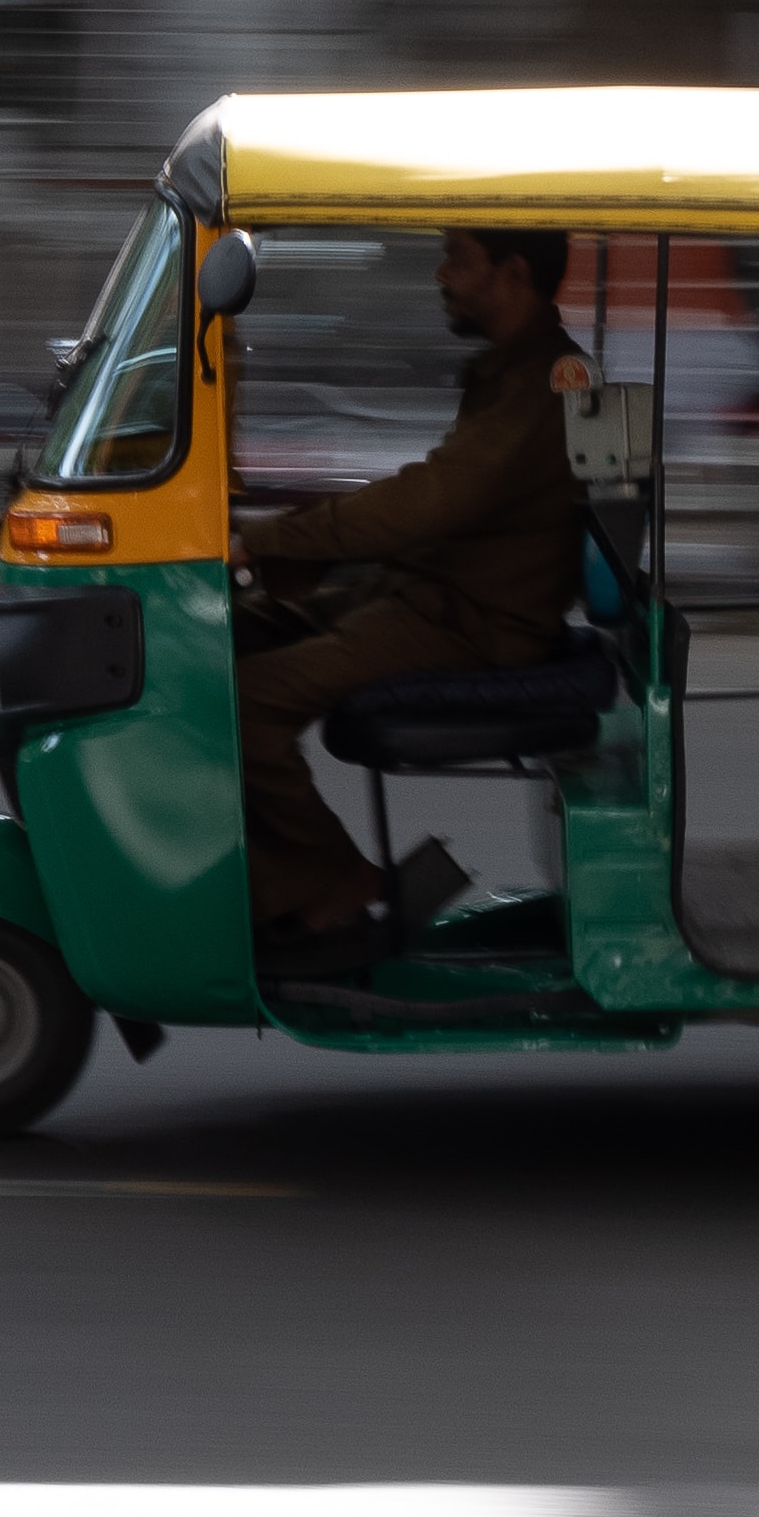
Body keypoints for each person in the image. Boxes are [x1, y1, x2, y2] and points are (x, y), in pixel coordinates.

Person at [233, 223, 582, 968]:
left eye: (458, 260)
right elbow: (428, 506)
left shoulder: (546, 385)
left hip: (471, 627)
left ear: (513, 274)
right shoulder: (507, 372)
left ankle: (332, 882)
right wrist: (274, 545)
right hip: (417, 596)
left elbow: (425, 503)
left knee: (240, 703)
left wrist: (270, 542)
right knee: (213, 636)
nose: (440, 276)